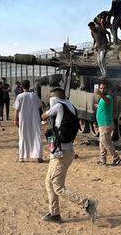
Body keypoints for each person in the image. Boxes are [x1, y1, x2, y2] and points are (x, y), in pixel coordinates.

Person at [40, 87, 98, 223]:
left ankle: (88, 203)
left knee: (58, 187)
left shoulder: (58, 106)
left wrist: (46, 110)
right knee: (49, 183)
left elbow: (43, 116)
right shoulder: (70, 106)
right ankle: (54, 213)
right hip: (61, 150)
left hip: (61, 153)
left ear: (54, 98)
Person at [14, 80, 43, 163]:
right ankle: (39, 156)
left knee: (23, 136)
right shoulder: (34, 95)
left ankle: (21, 157)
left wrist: (15, 120)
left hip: (24, 120)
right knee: (36, 136)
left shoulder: (19, 96)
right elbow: (40, 105)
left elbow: (16, 109)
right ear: (29, 86)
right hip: (35, 119)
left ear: (22, 87)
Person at [94, 80, 121, 166]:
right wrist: (98, 106)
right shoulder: (102, 99)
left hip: (106, 124)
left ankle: (116, 158)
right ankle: (103, 160)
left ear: (107, 89)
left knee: (105, 141)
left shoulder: (108, 97)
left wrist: (100, 94)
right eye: (101, 88)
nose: (102, 90)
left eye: (104, 88)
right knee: (102, 143)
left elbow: (106, 101)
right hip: (102, 124)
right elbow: (105, 105)